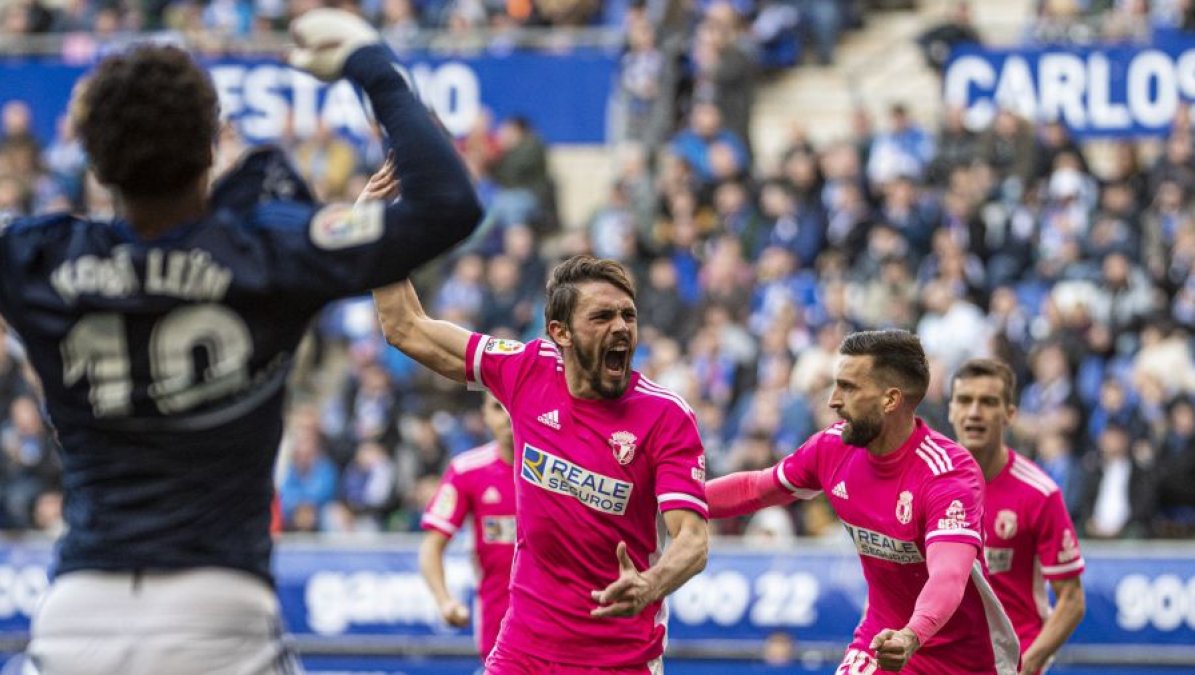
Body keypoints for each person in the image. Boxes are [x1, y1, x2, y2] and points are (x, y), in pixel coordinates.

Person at [0, 9, 481, 674]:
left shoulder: (36, 256)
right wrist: (373, 68)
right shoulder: (262, 247)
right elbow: (450, 204)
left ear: (95, 162)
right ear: (209, 151)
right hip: (221, 612)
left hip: (79, 611)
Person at [373, 255, 709, 674]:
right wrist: (383, 237)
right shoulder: (526, 370)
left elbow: (693, 541)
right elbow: (405, 327)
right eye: (602, 317)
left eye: (628, 315)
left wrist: (649, 585)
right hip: (522, 653)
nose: (621, 327)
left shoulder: (666, 416)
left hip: (619, 660)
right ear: (559, 333)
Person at [706, 329, 1019, 674]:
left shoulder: (948, 474)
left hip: (962, 658)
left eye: (849, 387)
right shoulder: (832, 447)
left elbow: (948, 577)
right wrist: (668, 500)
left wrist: (911, 636)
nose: (833, 400)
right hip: (881, 640)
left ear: (890, 400)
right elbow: (755, 487)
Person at [949, 359, 1086, 674]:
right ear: (951, 410)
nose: (974, 412)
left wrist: (1029, 664)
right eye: (965, 400)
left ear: (1010, 414)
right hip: (943, 661)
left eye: (988, 402)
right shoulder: (925, 482)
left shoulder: (1039, 493)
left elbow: (1072, 599)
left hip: (1009, 664)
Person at [419, 392, 517, 661]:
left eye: (513, 405)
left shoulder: (563, 469)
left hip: (564, 630)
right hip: (499, 633)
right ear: (484, 416)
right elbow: (431, 546)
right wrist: (444, 601)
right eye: (498, 408)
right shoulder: (467, 471)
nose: (508, 417)